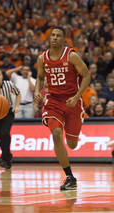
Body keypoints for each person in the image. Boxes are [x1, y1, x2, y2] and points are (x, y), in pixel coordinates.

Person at [34, 26, 90, 191]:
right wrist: (38, 91)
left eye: (58, 35)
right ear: (49, 38)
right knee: (56, 135)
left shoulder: (72, 56)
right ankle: (69, 177)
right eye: (52, 35)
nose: (55, 38)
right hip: (53, 100)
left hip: (73, 100)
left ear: (63, 39)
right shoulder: (42, 58)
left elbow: (87, 76)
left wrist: (77, 96)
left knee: (72, 144)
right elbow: (39, 77)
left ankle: (72, 125)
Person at [0, 69, 21, 169]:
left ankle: (5, 158)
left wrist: (16, 106)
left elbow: (18, 93)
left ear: (2, 76)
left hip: (8, 112)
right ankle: (7, 156)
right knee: (0, 136)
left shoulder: (8, 84)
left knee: (4, 133)